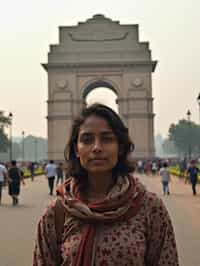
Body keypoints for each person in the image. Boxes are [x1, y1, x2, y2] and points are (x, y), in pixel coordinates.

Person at [33, 103, 179, 266]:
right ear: (76, 149)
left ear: (121, 147)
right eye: (87, 140)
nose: (96, 147)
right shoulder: (57, 212)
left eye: (107, 139)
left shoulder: (150, 208)